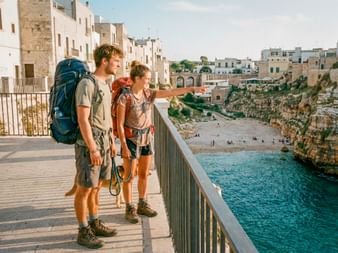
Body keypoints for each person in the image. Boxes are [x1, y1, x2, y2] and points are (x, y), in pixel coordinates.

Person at [117, 61, 206, 224]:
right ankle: (129, 207)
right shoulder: (125, 98)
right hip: (131, 140)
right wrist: (123, 146)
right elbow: (119, 125)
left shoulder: (148, 94)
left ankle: (142, 203)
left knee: (143, 174)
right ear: (137, 78)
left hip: (146, 139)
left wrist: (192, 89)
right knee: (129, 176)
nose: (149, 82)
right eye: (147, 78)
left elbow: (170, 92)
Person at [74, 44, 123, 249]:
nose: (119, 65)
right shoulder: (87, 83)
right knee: (84, 189)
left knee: (96, 187)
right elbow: (83, 119)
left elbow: (107, 118)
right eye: (116, 61)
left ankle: (94, 221)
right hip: (90, 144)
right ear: (104, 61)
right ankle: (83, 230)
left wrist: (111, 142)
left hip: (104, 141)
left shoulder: (105, 84)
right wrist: (93, 148)